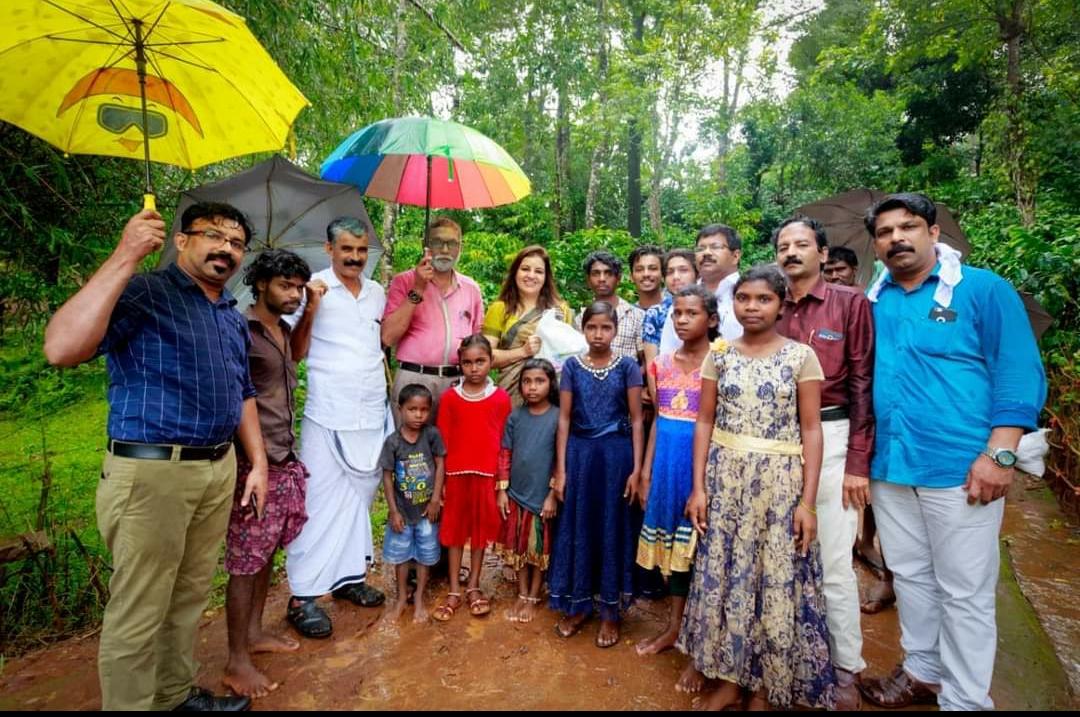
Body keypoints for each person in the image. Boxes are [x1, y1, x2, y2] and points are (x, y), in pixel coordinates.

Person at [44, 203, 266, 711]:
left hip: (216, 469)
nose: (226, 249)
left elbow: (243, 392)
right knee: (140, 607)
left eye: (236, 243)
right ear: (181, 241)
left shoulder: (229, 315)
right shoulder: (144, 292)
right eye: (213, 236)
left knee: (188, 596)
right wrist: (126, 254)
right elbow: (61, 348)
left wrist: (257, 462)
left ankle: (172, 695)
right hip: (153, 471)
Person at [858, 193, 1047, 711]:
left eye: (908, 227)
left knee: (964, 591)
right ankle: (923, 671)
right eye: (885, 232)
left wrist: (1000, 454)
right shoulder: (876, 300)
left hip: (962, 467)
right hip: (892, 465)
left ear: (934, 233)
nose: (897, 238)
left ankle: (965, 701)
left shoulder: (982, 290)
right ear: (876, 245)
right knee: (911, 575)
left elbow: (1018, 371)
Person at [679, 265, 835, 711]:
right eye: (744, 298)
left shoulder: (801, 357)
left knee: (772, 580)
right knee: (729, 576)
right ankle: (729, 679)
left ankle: (764, 688)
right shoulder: (720, 355)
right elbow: (704, 421)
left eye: (763, 299)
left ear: (782, 305)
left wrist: (808, 503)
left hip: (779, 487)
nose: (752, 307)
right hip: (725, 482)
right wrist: (698, 488)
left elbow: (812, 429)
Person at [773, 216, 874, 710]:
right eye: (783, 246)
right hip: (776, 438)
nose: (792, 252)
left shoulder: (850, 303)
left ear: (822, 252)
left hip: (833, 435)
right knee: (780, 553)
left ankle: (845, 666)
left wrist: (858, 461)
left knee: (833, 556)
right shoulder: (769, 303)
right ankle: (787, 658)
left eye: (801, 244)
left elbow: (863, 383)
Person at [283, 217, 388, 639]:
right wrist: (311, 306)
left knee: (358, 501)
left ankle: (348, 578)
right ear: (329, 250)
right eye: (347, 249)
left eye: (361, 250)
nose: (355, 258)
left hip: (371, 412)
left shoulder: (377, 292)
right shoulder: (313, 288)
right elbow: (295, 351)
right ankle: (302, 595)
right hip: (328, 413)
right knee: (319, 502)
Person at [222, 250, 313, 699]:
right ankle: (236, 660)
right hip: (253, 462)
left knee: (266, 552)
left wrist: (309, 310)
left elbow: (297, 355)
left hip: (282, 455)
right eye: (285, 286)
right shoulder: (241, 329)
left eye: (298, 287)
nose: (294, 294)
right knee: (245, 561)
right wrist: (254, 460)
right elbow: (237, 395)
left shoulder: (281, 328)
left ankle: (255, 633)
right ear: (260, 284)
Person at [635, 286, 717, 696]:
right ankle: (674, 628)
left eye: (691, 313)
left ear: (712, 319)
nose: (682, 320)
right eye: (677, 314)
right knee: (675, 557)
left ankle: (703, 648)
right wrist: (646, 472)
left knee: (703, 556)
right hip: (666, 467)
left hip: (702, 471)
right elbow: (659, 421)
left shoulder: (722, 363)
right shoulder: (661, 364)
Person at [550, 301, 645, 649]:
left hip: (616, 458)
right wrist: (561, 470)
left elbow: (637, 419)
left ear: (616, 330)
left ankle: (610, 612)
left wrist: (637, 470)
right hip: (580, 456)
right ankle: (578, 605)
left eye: (606, 327)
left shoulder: (628, 366)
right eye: (592, 327)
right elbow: (563, 419)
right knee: (580, 525)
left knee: (611, 526)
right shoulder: (572, 366)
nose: (598, 334)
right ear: (583, 328)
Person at [433, 335, 513, 620]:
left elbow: (504, 442)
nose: (474, 368)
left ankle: (474, 585)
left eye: (480, 361)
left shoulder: (501, 398)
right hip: (455, 474)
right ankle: (455, 589)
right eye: (467, 363)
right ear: (460, 364)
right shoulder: (450, 398)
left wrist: (501, 483)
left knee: (479, 532)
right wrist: (441, 483)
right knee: (455, 532)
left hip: (486, 476)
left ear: (491, 362)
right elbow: (442, 442)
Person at [383, 217, 485, 423]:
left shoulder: (471, 288)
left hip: (457, 383)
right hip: (414, 380)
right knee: (410, 443)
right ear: (426, 245)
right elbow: (388, 337)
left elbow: (478, 342)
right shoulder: (404, 281)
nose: (445, 250)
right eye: (438, 242)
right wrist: (418, 288)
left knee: (454, 442)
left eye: (452, 243)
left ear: (460, 247)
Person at [495, 358, 561, 623]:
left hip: (542, 497)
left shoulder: (558, 417)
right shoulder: (515, 416)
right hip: (516, 494)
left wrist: (552, 494)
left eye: (539, 381)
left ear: (550, 384)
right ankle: (522, 593)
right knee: (518, 547)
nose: (532, 387)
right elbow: (505, 453)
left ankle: (534, 595)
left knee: (539, 549)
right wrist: (502, 489)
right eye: (527, 381)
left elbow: (560, 460)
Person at [380, 384, 447, 623]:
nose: (418, 415)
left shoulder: (432, 435)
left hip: (427, 511)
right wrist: (393, 511)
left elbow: (440, 464)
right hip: (403, 511)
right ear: (400, 409)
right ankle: (401, 598)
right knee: (401, 557)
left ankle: (419, 597)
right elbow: (387, 476)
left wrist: (435, 499)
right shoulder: (393, 442)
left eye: (424, 410)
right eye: (412, 409)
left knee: (424, 556)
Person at [482, 246, 571, 405]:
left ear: (546, 277)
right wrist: (522, 352)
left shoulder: (559, 310)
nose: (531, 275)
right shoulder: (499, 309)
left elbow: (569, 355)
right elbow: (485, 359)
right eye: (525, 269)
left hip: (550, 398)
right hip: (509, 395)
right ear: (515, 272)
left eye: (538, 271)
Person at [573, 251, 645, 362]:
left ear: (618, 278)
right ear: (588, 280)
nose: (602, 279)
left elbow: (645, 361)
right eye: (596, 273)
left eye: (608, 273)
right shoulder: (580, 319)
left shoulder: (637, 316)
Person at [642, 248, 698, 369]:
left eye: (683, 270)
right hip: (665, 377)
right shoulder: (656, 314)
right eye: (670, 272)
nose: (676, 277)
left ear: (697, 274)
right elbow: (651, 366)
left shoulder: (709, 308)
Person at [694, 224, 743, 341]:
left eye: (715, 247)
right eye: (700, 249)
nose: (706, 253)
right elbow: (669, 347)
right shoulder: (685, 296)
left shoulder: (750, 292)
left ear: (735, 256)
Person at [629, 244, 666, 310]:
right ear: (631, 277)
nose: (646, 274)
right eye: (639, 269)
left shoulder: (676, 308)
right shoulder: (627, 313)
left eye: (653, 268)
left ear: (663, 275)